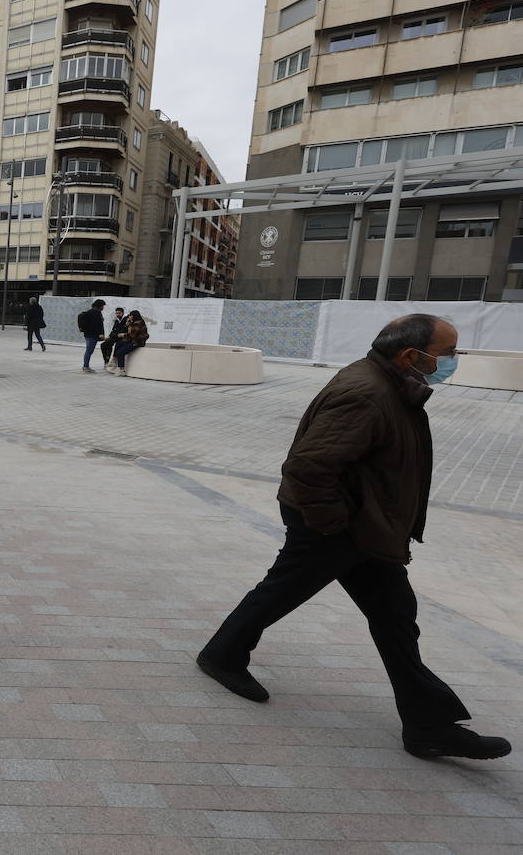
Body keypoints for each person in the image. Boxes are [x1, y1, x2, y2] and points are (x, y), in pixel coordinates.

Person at [197, 315, 510, 760]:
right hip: (339, 524)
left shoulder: (388, 383)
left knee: (394, 614)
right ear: (410, 355)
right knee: (286, 591)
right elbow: (308, 468)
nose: (450, 361)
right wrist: (334, 526)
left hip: (363, 524)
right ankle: (222, 655)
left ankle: (428, 725)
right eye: (446, 353)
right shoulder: (367, 393)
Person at [109, 310, 148, 376]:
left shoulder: (138, 323)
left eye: (130, 315)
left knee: (120, 352)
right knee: (118, 343)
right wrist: (127, 324)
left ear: (133, 316)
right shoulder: (133, 322)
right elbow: (129, 333)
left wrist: (123, 335)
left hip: (137, 342)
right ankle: (114, 360)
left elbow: (132, 335)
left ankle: (122, 370)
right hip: (132, 340)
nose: (129, 317)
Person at [76, 299, 106, 373]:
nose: (103, 307)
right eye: (102, 306)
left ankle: (86, 366)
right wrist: (100, 333)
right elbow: (96, 325)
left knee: (89, 351)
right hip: (92, 335)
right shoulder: (95, 313)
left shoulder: (91, 312)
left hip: (88, 334)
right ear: (99, 306)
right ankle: (85, 367)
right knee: (89, 351)